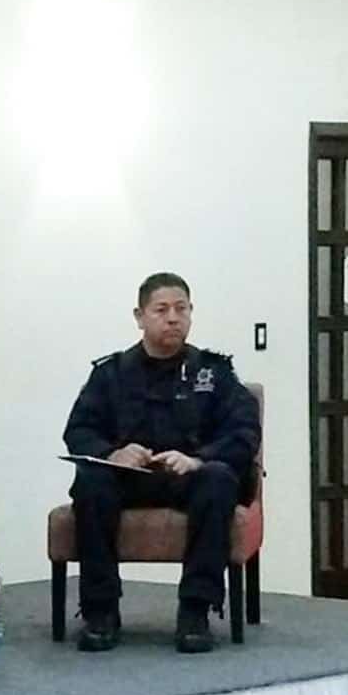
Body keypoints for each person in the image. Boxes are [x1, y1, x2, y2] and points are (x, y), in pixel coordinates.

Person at [62, 272, 261, 654]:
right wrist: (113, 454)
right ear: (140, 317)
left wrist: (199, 459)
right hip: (129, 479)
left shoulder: (213, 372)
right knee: (92, 481)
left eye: (181, 309)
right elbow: (79, 430)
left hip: (189, 478)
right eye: (162, 310)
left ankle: (196, 611)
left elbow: (244, 431)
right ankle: (101, 612)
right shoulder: (111, 373)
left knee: (219, 479)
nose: (173, 318)